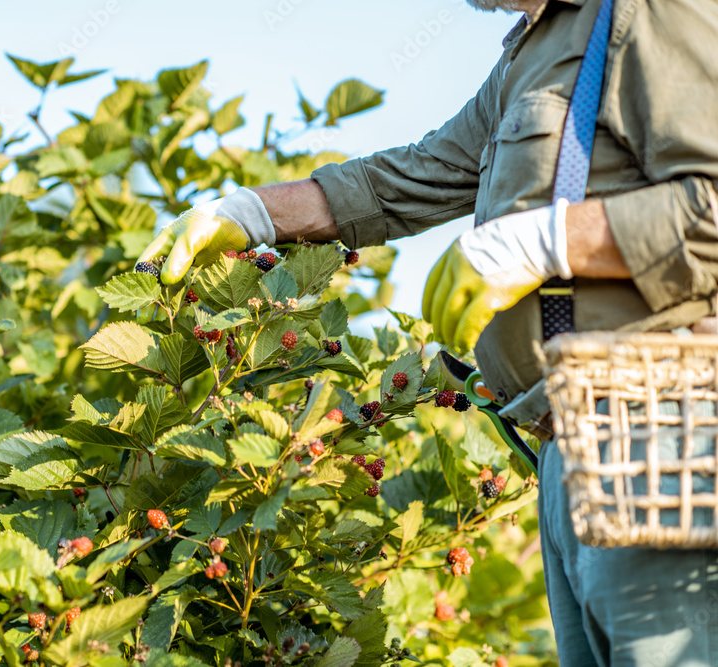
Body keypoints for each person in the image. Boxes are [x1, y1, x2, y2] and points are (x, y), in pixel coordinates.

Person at [137, 1, 718, 663]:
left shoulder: (651, 11)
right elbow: (408, 178)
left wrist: (550, 240)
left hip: (664, 430)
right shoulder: (539, 48)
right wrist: (250, 212)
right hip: (569, 447)